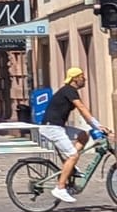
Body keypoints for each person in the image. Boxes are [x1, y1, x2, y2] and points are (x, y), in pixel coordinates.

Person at [37, 67, 103, 203]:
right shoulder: (69, 90)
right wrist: (97, 125)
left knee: (83, 135)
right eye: (82, 77)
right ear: (75, 78)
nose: (84, 79)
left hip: (58, 126)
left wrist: (93, 125)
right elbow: (82, 108)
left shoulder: (70, 91)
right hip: (51, 127)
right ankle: (60, 188)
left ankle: (70, 166)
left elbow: (82, 112)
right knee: (73, 155)